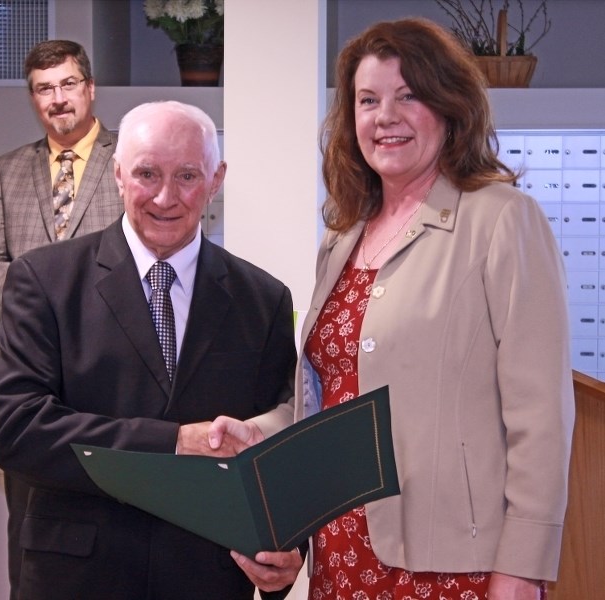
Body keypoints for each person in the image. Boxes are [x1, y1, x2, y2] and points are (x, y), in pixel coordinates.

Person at [210, 18, 575, 600]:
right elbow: (336, 398)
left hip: (454, 565)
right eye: (368, 99)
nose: (386, 116)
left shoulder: (501, 219)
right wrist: (257, 431)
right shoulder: (343, 237)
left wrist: (522, 569)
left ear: (449, 105)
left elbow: (541, 419)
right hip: (341, 552)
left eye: (409, 96)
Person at [0, 101, 302, 600]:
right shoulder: (44, 279)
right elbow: (18, 429)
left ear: (217, 179)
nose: (165, 196)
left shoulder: (262, 300)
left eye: (187, 176)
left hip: (206, 578)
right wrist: (174, 442)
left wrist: (288, 551)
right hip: (75, 581)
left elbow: (278, 445)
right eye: (147, 174)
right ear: (116, 174)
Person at [0, 39, 123, 599]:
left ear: (89, 88)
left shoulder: (128, 159)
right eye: (43, 89)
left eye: (66, 85)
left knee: (106, 519)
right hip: (21, 369)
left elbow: (138, 257)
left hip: (104, 365)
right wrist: (44, 322)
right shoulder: (6, 169)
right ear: (32, 97)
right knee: (28, 525)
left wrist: (76, 327)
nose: (57, 100)